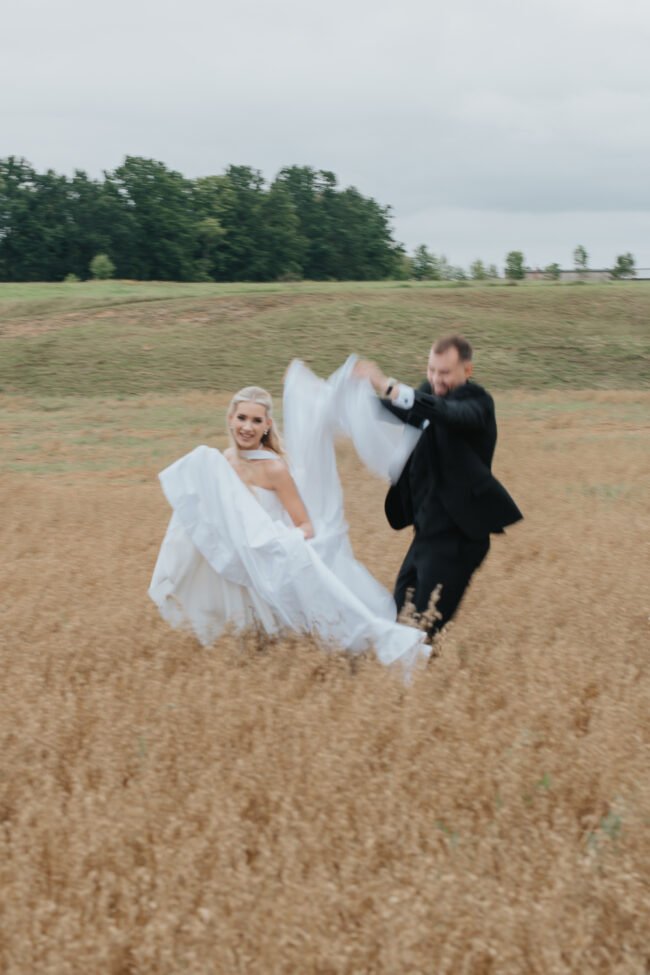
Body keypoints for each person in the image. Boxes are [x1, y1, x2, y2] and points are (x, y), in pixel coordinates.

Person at [148, 371, 430, 675]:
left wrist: (278, 543)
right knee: (242, 639)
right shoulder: (222, 462)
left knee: (297, 627)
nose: (247, 427)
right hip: (238, 557)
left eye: (256, 421)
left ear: (267, 425)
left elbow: (305, 525)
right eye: (242, 418)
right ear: (230, 419)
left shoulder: (274, 468)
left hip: (267, 554)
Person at [354, 335, 522, 637]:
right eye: (431, 370)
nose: (435, 379)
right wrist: (343, 401)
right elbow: (403, 410)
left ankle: (420, 665)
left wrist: (387, 385)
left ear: (467, 371)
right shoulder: (427, 394)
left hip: (458, 538)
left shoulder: (477, 403)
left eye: (444, 373)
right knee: (396, 618)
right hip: (425, 533)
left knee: (421, 630)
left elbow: (447, 413)